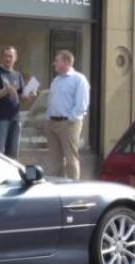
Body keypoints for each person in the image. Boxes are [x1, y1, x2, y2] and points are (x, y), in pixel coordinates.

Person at [45, 50, 90, 180]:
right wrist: (48, 120)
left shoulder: (79, 79)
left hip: (69, 124)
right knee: (56, 161)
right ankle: (59, 188)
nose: (54, 64)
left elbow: (82, 104)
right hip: (52, 123)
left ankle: (73, 188)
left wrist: (70, 118)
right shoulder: (56, 80)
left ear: (66, 62)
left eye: (57, 61)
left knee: (71, 159)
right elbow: (51, 101)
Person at [0, 46, 31, 159]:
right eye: (5, 56)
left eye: (10, 56)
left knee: (13, 153)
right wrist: (6, 91)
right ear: (2, 57)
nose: (7, 59)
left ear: (15, 58)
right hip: (0, 118)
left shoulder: (17, 75)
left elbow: (22, 97)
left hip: (15, 118)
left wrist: (29, 95)